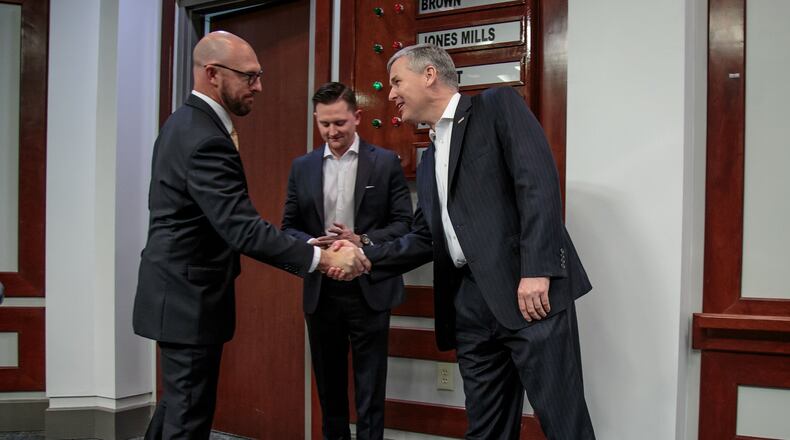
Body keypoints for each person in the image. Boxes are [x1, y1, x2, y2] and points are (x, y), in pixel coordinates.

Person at [133, 32, 368, 440]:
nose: (258, 86)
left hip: (177, 293)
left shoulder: (186, 122)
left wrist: (306, 245)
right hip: (189, 300)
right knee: (188, 417)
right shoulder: (203, 136)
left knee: (177, 406)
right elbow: (240, 226)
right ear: (212, 74)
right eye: (249, 76)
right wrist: (324, 260)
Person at [357, 43, 596, 439]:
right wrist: (364, 256)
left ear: (429, 75)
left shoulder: (496, 106)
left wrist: (537, 269)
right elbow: (423, 237)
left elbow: (537, 184)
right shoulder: (430, 156)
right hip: (469, 307)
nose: (391, 94)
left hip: (529, 294)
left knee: (563, 423)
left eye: (397, 82)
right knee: (486, 430)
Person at [281, 82, 413, 440]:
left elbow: (405, 225)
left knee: (370, 387)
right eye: (324, 124)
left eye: (339, 122)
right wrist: (315, 246)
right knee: (330, 386)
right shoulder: (302, 167)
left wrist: (362, 241)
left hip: (370, 288)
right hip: (322, 291)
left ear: (356, 117)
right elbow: (288, 227)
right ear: (316, 120)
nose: (332, 131)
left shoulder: (385, 163)